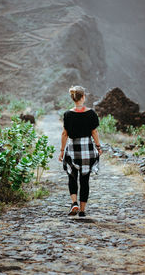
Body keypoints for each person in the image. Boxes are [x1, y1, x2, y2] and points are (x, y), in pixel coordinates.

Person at [59, 86, 102, 217]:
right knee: (85, 180)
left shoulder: (67, 114)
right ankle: (82, 211)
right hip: (87, 149)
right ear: (83, 97)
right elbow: (94, 131)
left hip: (73, 148)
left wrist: (62, 151)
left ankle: (74, 203)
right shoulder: (91, 113)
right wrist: (98, 147)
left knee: (72, 176)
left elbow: (65, 134)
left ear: (73, 98)